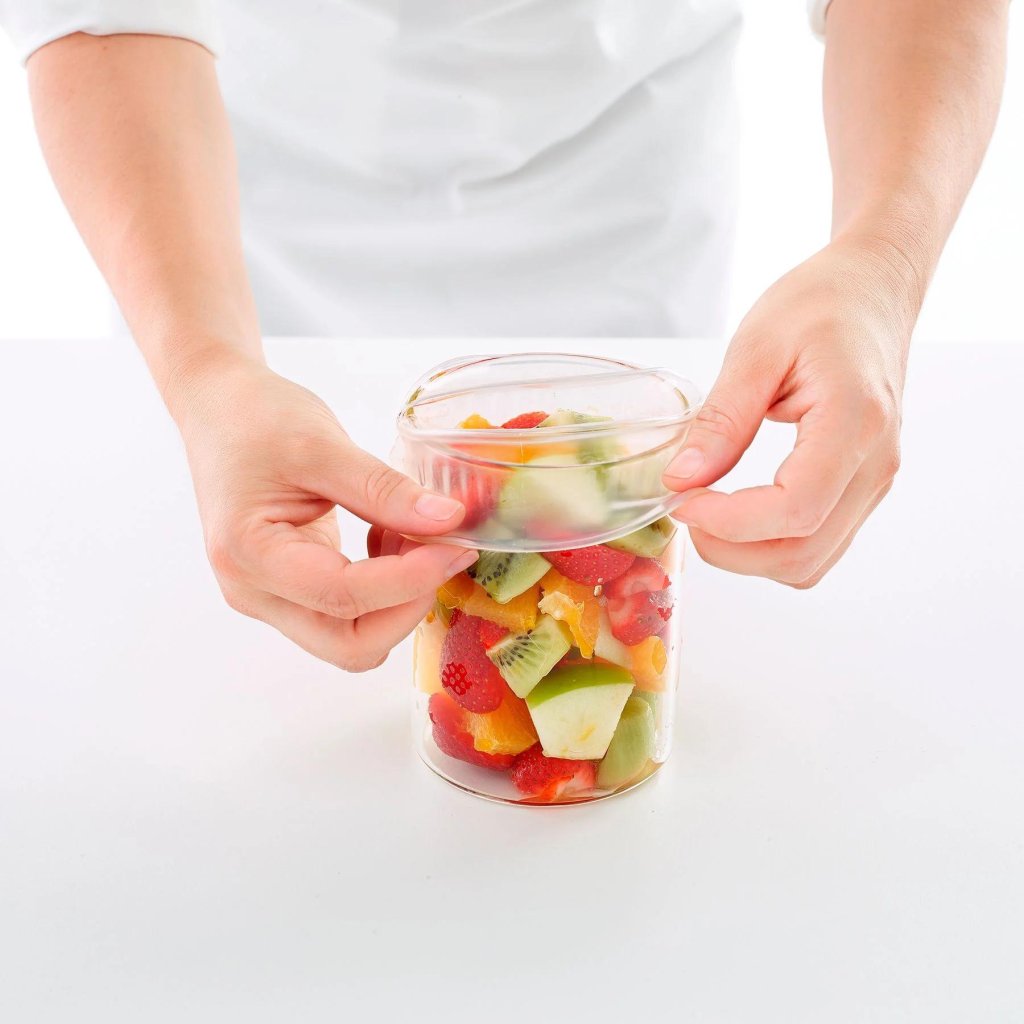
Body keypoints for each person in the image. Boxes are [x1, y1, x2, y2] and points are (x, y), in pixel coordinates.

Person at [0, 0, 1009, 671]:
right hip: (231, 253)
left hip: (630, 241)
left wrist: (881, 260)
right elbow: (105, 11)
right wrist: (210, 371)